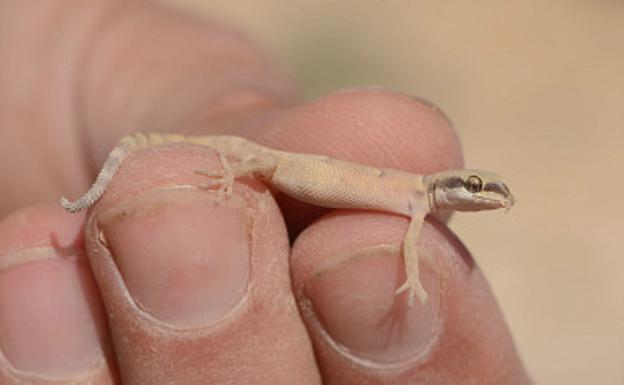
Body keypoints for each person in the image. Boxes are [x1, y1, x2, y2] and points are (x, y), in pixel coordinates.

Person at [0, 0, 531, 383]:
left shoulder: (416, 209)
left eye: (482, 192)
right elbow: (409, 255)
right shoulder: (416, 197)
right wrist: (234, 174)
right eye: (476, 187)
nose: (477, 194)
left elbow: (412, 251)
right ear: (453, 185)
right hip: (275, 162)